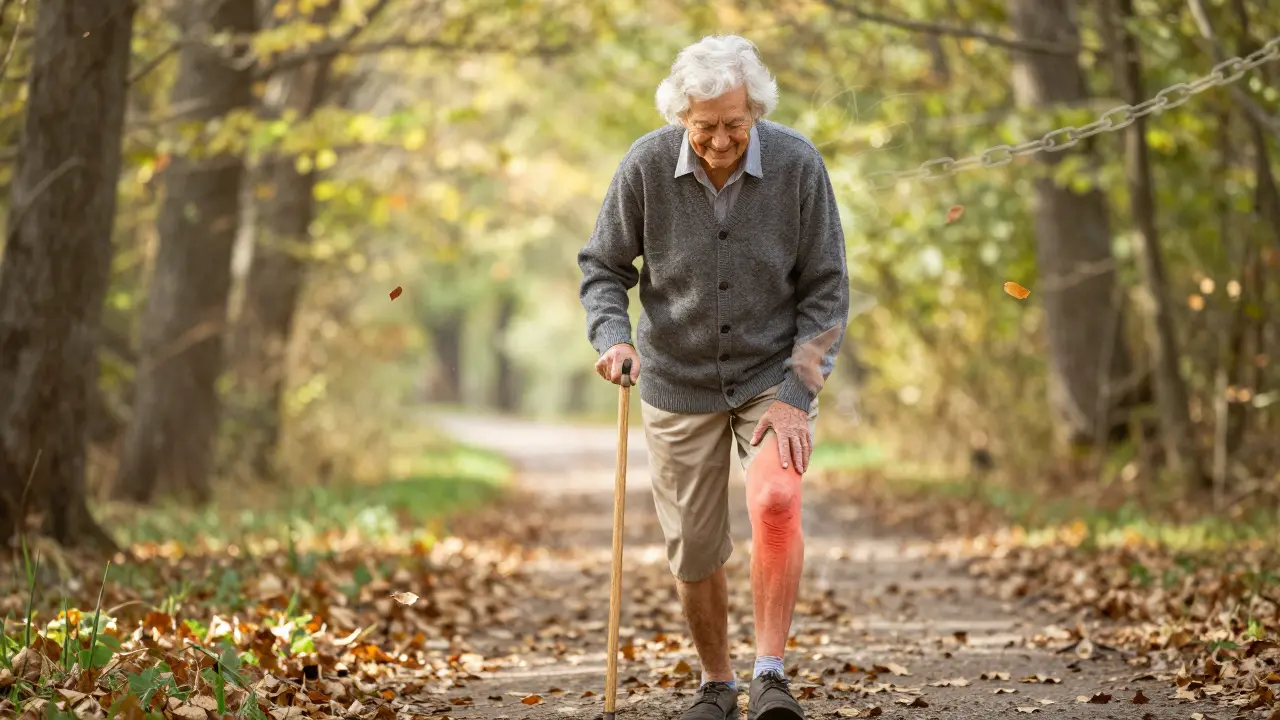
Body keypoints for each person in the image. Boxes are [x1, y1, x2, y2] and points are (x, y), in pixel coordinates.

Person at [576, 33, 850, 720]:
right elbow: (604, 268)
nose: (721, 141)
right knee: (695, 545)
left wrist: (796, 395)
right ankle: (717, 683)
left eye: (734, 125)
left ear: (755, 110)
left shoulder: (797, 164)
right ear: (680, 118)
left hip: (770, 372)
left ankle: (770, 674)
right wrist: (612, 338)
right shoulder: (644, 166)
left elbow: (826, 291)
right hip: (676, 375)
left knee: (777, 502)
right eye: (704, 128)